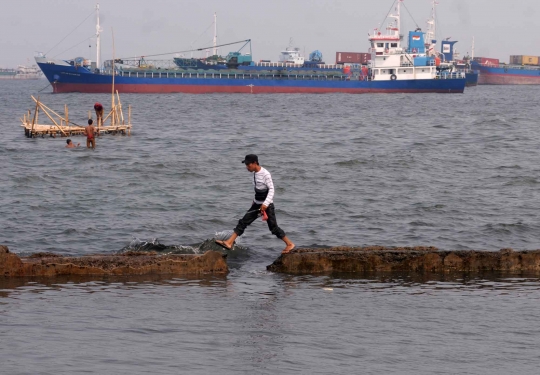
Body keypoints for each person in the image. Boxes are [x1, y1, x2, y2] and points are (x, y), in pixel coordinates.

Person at [215, 154, 295, 254]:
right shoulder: (254, 174)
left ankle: (289, 244)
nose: (247, 167)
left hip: (267, 205)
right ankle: (229, 242)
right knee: (243, 222)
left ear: (255, 163)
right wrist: (255, 201)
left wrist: (265, 204)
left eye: (248, 165)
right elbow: (258, 190)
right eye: (246, 165)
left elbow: (271, 189)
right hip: (257, 204)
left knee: (273, 228)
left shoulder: (265, 174)